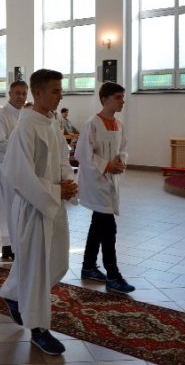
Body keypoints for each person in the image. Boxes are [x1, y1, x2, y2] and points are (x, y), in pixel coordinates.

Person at [0, 69, 77, 356]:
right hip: (34, 208)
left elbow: (63, 159)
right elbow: (19, 175)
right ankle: (38, 329)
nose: (60, 96)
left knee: (56, 263)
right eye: (55, 91)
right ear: (38, 93)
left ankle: (13, 294)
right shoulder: (26, 127)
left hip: (53, 205)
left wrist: (68, 182)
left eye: (61, 90)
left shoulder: (52, 123)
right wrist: (56, 191)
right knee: (37, 270)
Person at [75, 82, 135, 294]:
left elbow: (123, 148)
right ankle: (113, 275)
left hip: (111, 181)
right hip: (96, 182)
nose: (122, 101)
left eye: (123, 97)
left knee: (97, 225)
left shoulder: (119, 124)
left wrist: (120, 161)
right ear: (104, 99)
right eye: (118, 97)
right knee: (108, 229)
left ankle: (88, 266)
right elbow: (82, 154)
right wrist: (106, 165)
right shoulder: (92, 124)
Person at [0, 80, 28, 261]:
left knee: (21, 209)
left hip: (25, 170)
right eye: (17, 93)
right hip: (9, 169)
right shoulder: (1, 116)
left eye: (24, 93)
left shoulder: (27, 114)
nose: (21, 97)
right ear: (10, 94)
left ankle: (18, 244)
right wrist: (21, 153)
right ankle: (9, 245)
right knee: (9, 208)